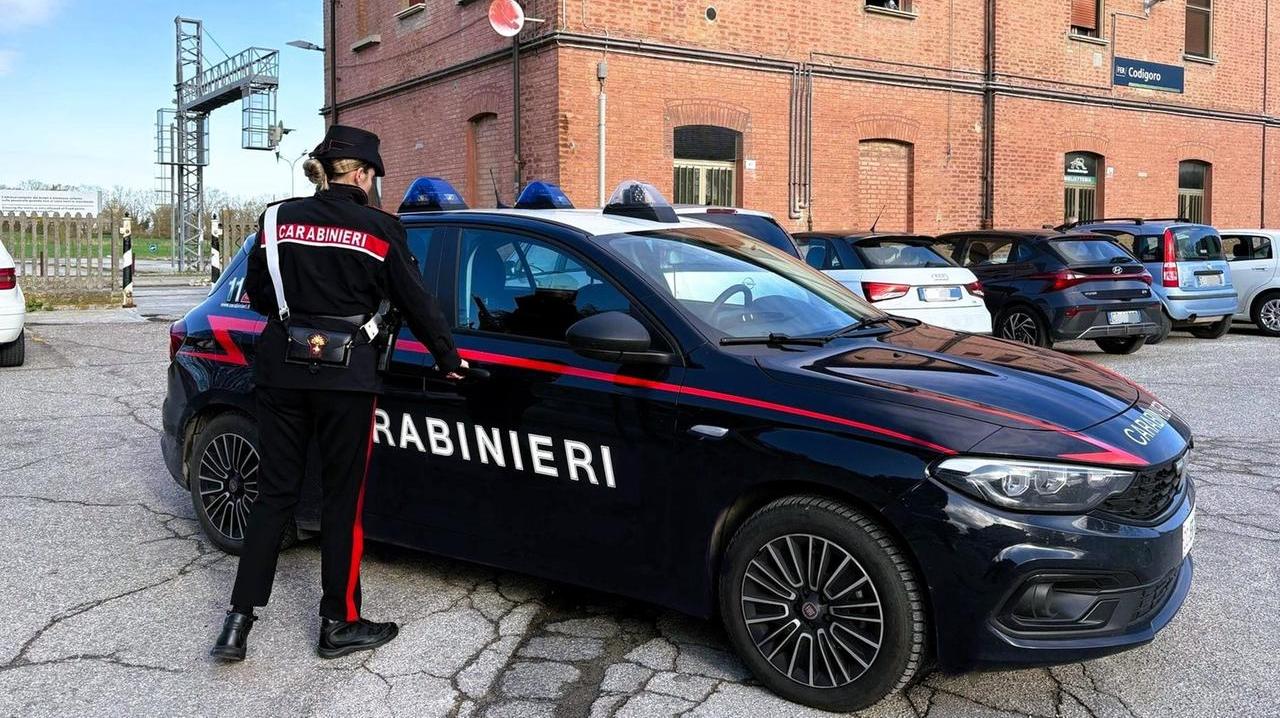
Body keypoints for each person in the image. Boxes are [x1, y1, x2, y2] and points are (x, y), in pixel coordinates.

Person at [211, 125, 466, 661]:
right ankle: (339, 623)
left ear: (325, 173)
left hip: (281, 371)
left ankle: (237, 624)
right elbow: (417, 303)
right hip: (347, 379)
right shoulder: (381, 229)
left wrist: (300, 319)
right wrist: (448, 359)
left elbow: (257, 292)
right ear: (364, 175)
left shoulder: (276, 219)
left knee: (272, 496)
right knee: (341, 502)